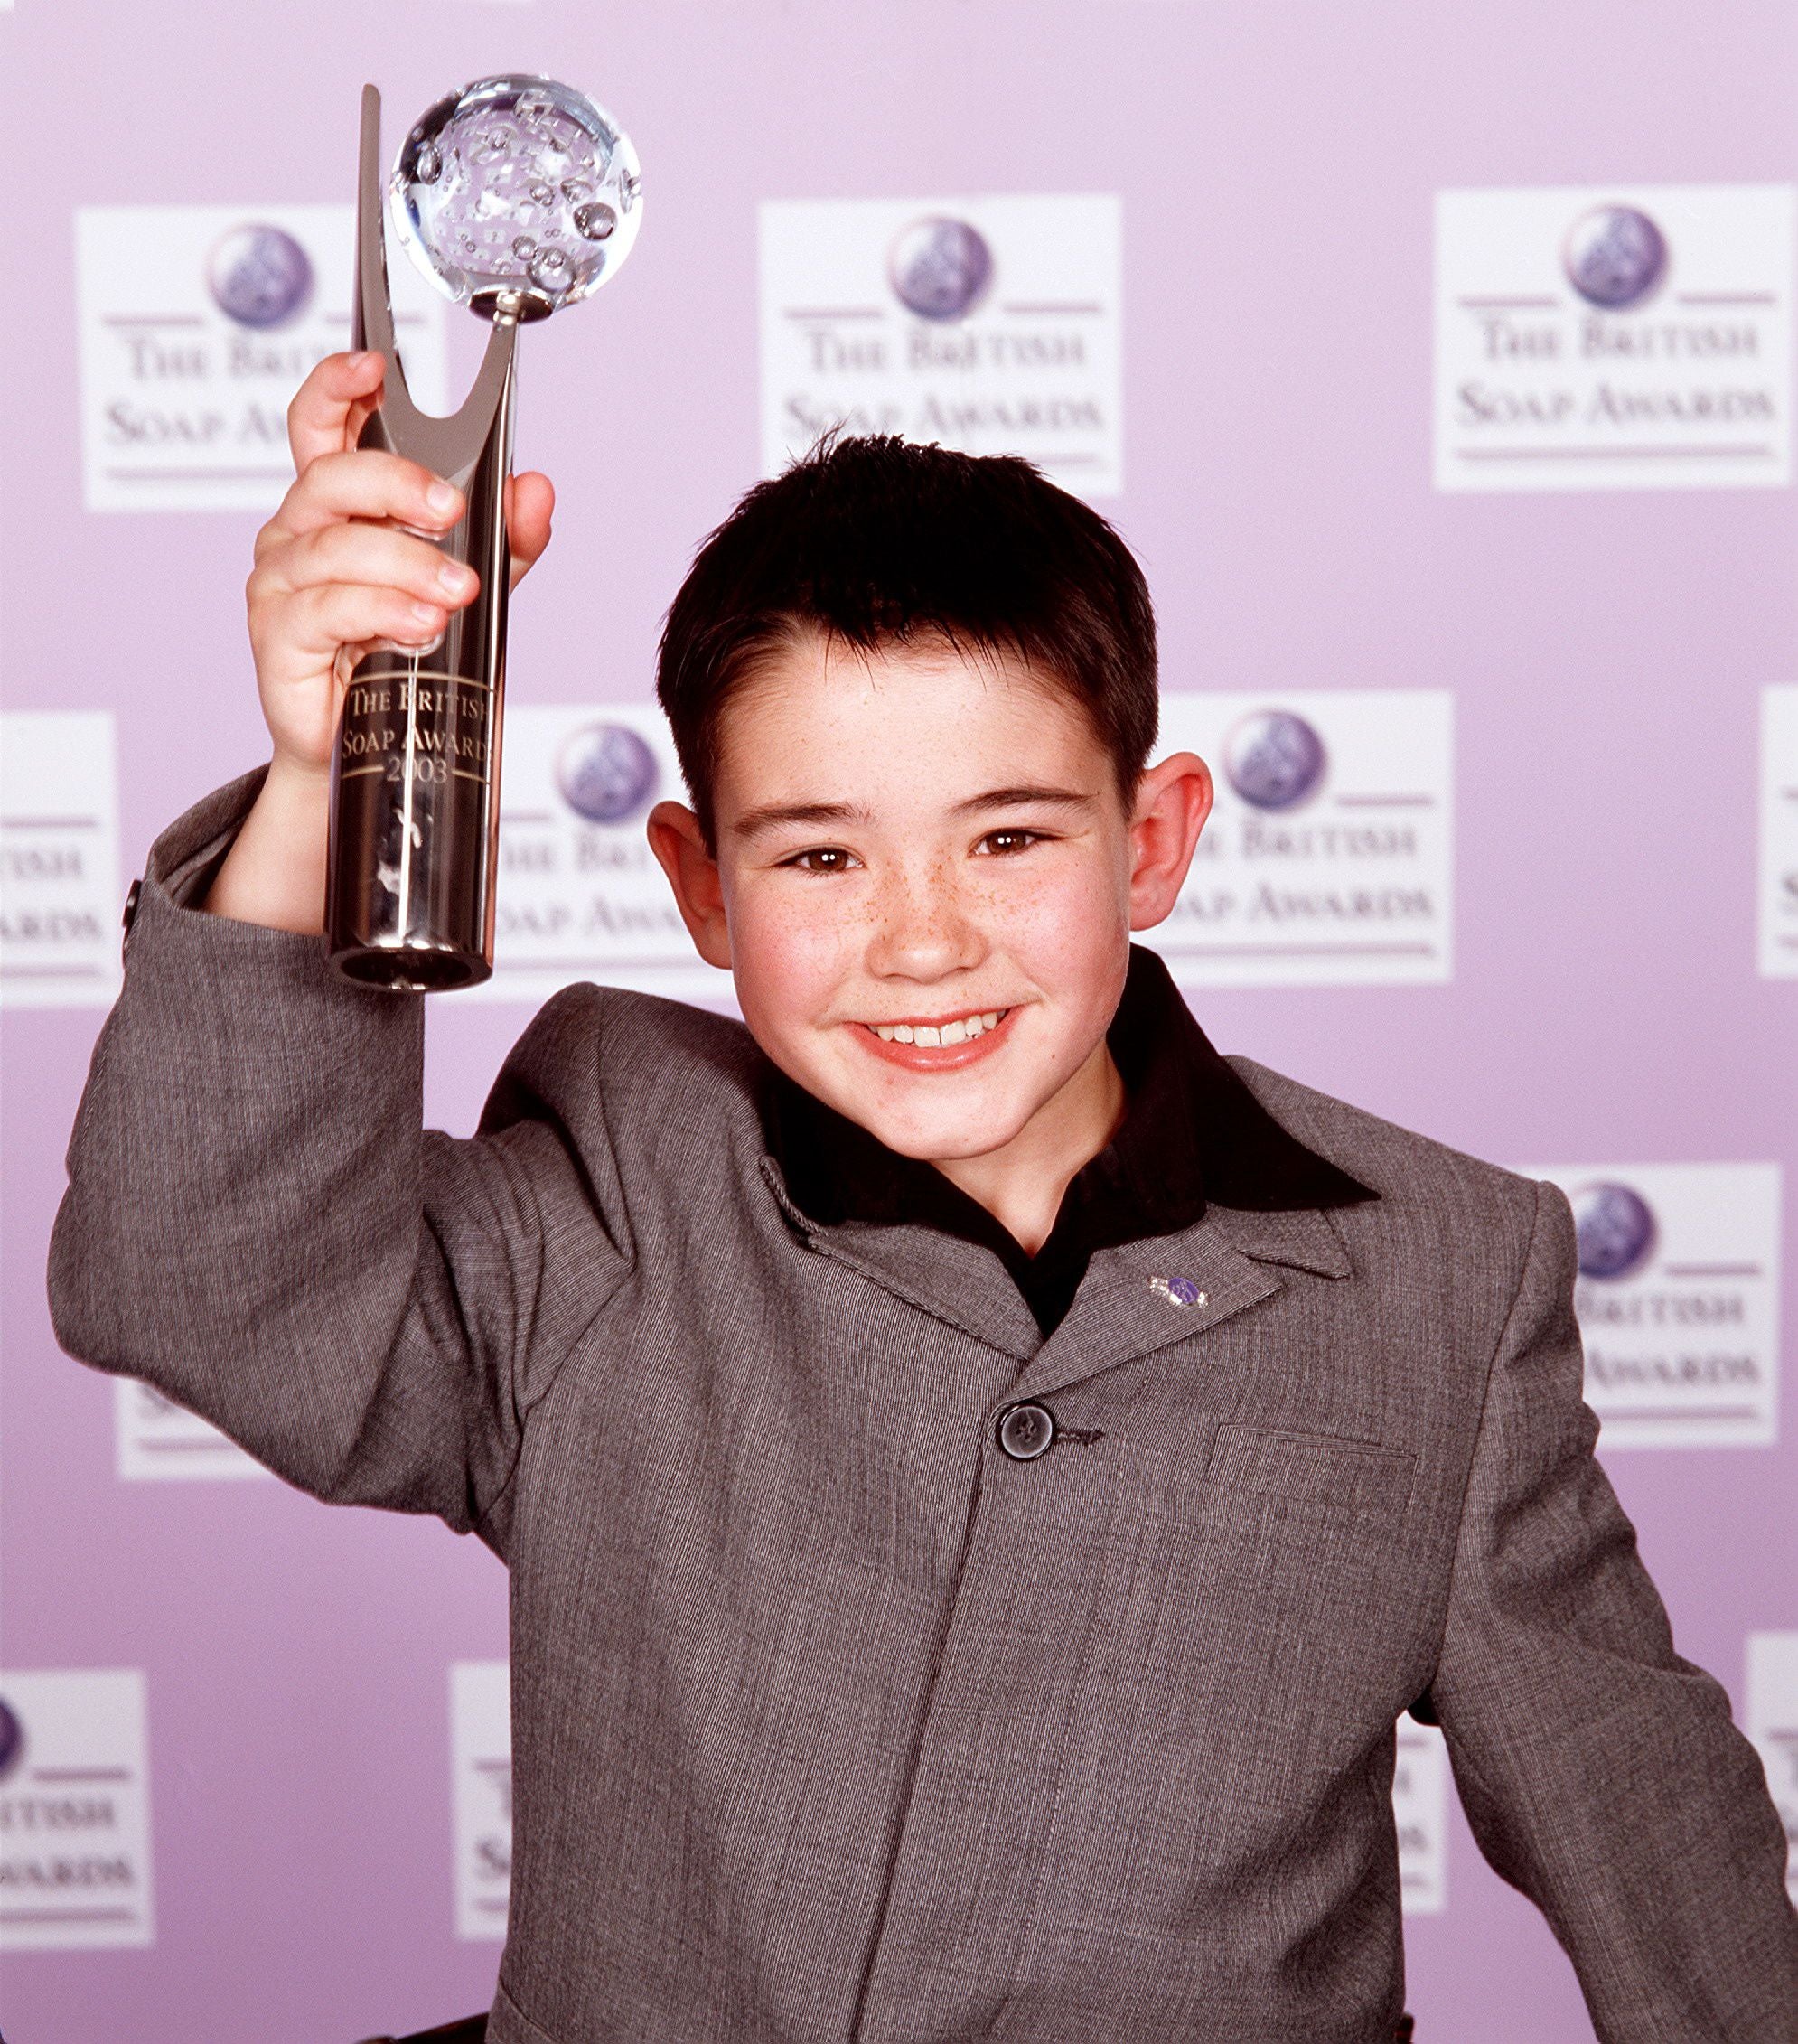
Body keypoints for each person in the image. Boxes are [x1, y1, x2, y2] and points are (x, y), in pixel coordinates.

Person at [49, 351, 1796, 2044]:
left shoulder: (1435, 1274)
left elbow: (1645, 1820)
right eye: (819, 854)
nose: (922, 938)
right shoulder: (616, 1184)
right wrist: (318, 778)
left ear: (1157, 838)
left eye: (1011, 838)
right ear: (700, 887)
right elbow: (203, 1280)